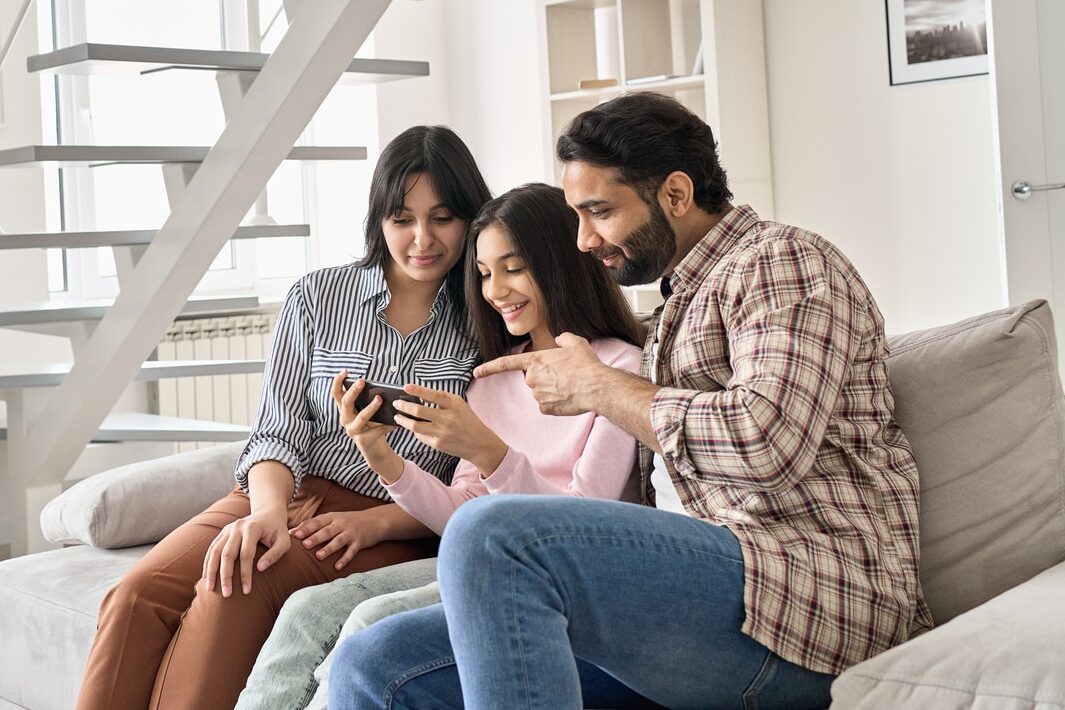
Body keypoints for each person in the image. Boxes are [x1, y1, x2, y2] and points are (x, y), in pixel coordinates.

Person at [329, 92, 935, 710]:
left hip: (807, 599)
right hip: (694, 602)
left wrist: (595, 387)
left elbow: (766, 442)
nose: (584, 241)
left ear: (675, 194)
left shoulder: (783, 263)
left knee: (494, 534)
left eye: (599, 212)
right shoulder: (674, 306)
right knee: (373, 660)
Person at [75, 125, 492, 710]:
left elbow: (478, 483)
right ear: (379, 220)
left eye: (443, 218)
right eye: (402, 219)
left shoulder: (488, 319)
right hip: (282, 491)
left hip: (393, 518)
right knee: (134, 595)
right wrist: (267, 511)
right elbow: (277, 429)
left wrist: (378, 523)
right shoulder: (317, 296)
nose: (422, 238)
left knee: (234, 586)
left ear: (470, 219)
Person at [236, 183, 646, 710]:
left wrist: (491, 454)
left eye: (514, 268)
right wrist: (382, 456)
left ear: (561, 264)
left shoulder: (617, 371)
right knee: (307, 611)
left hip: (564, 578)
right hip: (477, 557)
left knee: (367, 622)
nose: (496, 290)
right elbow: (461, 515)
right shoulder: (491, 380)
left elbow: (581, 526)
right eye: (484, 272)